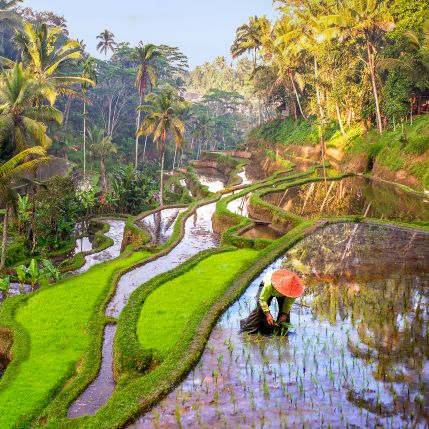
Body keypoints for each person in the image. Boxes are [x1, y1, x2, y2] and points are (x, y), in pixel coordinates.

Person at [240, 269, 305, 335]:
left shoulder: (293, 291)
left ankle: (280, 332)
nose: (285, 294)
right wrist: (268, 314)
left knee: (285, 315)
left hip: (283, 288)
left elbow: (288, 303)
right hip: (269, 287)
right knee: (260, 309)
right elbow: (262, 299)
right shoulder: (269, 284)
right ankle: (247, 329)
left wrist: (284, 315)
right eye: (285, 292)